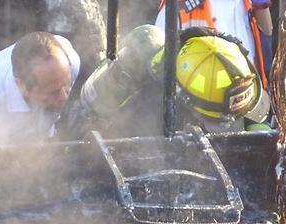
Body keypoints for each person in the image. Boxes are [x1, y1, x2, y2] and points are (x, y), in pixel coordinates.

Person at [59, 25, 267, 139]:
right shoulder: (149, 109)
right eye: (214, 120)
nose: (225, 125)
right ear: (184, 98)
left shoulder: (220, 56)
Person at [155, 0, 272, 87]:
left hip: (249, 101)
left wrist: (261, 4)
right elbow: (158, 69)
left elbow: (265, 43)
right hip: (198, 110)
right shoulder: (180, 3)